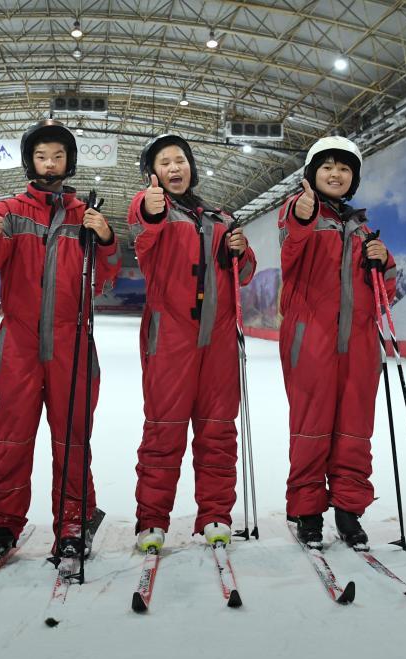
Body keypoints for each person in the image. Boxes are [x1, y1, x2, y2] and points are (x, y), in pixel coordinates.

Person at [0, 120, 121, 561]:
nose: (49, 164)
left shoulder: (85, 215)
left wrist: (106, 239)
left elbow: (104, 278)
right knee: (12, 438)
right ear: (29, 161)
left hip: (71, 339)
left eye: (57, 156)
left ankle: (74, 520)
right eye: (41, 156)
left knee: (72, 437)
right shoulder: (9, 209)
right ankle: (2, 522)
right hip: (18, 338)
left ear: (68, 162)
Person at [128, 134, 256, 553]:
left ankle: (216, 513)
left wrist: (242, 249)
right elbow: (141, 224)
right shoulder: (156, 211)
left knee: (218, 430)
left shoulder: (220, 218)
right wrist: (149, 205)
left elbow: (247, 272)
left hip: (217, 339)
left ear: (191, 167)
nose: (174, 167)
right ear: (153, 174)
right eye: (164, 162)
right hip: (170, 338)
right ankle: (152, 519)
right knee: (163, 430)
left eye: (180, 160)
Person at [277, 137, 395, 549]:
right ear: (311, 174)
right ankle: (308, 511)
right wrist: (300, 213)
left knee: (354, 430)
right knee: (311, 427)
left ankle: (348, 510)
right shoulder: (301, 215)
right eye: (326, 166)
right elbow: (291, 240)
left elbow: (386, 290)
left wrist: (382, 261)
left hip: (359, 343)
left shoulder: (363, 230)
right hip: (311, 339)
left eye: (344, 168)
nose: (335, 174)